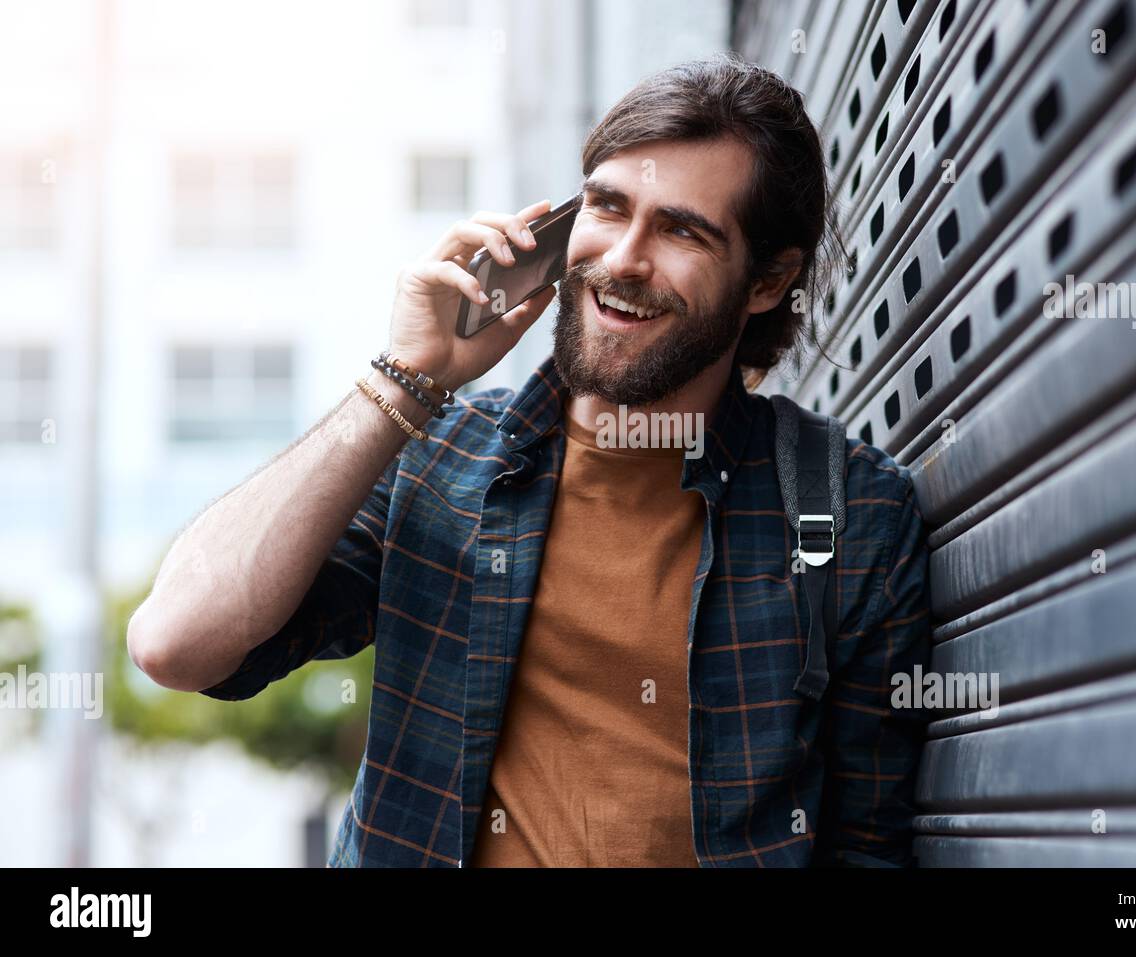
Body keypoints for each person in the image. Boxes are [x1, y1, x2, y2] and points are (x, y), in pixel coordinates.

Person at [127, 52, 933, 868]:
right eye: (608, 208)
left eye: (682, 230)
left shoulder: (849, 514)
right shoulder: (438, 454)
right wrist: (404, 379)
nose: (623, 258)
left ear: (769, 281)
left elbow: (864, 851)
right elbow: (176, 641)